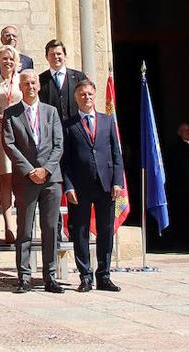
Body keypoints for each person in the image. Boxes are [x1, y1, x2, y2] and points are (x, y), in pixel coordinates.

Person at [2, 69, 65, 294]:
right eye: (25, 83)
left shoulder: (51, 112)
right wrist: (30, 171)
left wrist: (46, 170)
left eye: (33, 83)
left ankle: (50, 276)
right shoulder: (12, 114)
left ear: (39, 85)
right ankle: (24, 277)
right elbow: (9, 145)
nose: (30, 86)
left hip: (51, 180)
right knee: (24, 230)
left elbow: (59, 145)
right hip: (25, 179)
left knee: (49, 228)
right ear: (20, 87)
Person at [62, 79, 124, 292]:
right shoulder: (69, 125)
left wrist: (118, 181)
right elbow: (66, 160)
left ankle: (104, 275)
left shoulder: (107, 121)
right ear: (76, 97)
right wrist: (68, 186)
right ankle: (85, 276)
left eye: (89, 94)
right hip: (80, 186)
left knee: (106, 231)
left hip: (106, 184)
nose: (86, 98)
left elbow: (116, 154)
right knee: (80, 232)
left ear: (94, 95)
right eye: (82, 94)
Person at [0, 44, 24, 243]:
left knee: (23, 177)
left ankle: (23, 225)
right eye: (4, 59)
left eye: (11, 58)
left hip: (22, 134)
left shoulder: (23, 81)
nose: (7, 62)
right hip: (2, 133)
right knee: (5, 179)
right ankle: (9, 225)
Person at [38, 39, 87, 123]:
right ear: (46, 57)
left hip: (76, 126)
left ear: (65, 56)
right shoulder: (40, 80)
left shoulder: (79, 77)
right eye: (52, 54)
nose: (56, 57)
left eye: (59, 54)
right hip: (51, 128)